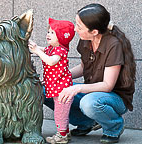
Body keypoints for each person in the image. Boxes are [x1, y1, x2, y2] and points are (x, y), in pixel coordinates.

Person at [44, 3, 136, 144]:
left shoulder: (113, 45)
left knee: (89, 103)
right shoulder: (86, 41)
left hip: (113, 98)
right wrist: (57, 78)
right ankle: (87, 122)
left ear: (94, 31)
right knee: (47, 90)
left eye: (79, 26)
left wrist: (77, 88)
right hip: (91, 91)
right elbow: (82, 67)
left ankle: (114, 126)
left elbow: (107, 85)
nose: (75, 29)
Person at [28, 18, 75, 144]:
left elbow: (51, 61)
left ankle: (62, 136)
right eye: (48, 32)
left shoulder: (60, 51)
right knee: (62, 112)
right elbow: (44, 50)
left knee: (60, 114)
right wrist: (35, 46)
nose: (48, 34)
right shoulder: (51, 49)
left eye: (53, 33)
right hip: (57, 88)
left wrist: (37, 51)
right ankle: (65, 132)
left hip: (62, 90)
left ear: (62, 38)